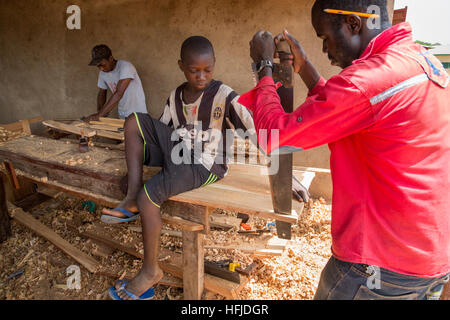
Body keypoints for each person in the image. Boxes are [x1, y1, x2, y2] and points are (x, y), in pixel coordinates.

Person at [240, 0, 450, 300]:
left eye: (325, 38)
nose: (325, 50)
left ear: (353, 24)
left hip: (379, 267)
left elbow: (274, 135)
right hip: (431, 260)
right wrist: (307, 70)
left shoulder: (368, 82)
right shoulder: (421, 61)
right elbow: (354, 112)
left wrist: (263, 68)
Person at [103, 35, 267, 300]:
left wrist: (282, 175)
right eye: (194, 71)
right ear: (181, 66)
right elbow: (158, 130)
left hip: (206, 164)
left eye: (207, 70)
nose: (201, 77)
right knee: (133, 121)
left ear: (214, 65)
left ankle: (150, 272)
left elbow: (253, 130)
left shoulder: (224, 96)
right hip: (179, 153)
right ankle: (131, 195)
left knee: (150, 196)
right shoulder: (176, 95)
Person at [83, 44, 148, 122]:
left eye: (102, 65)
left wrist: (99, 115)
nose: (101, 68)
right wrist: (100, 112)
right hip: (122, 115)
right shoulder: (103, 73)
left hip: (138, 114)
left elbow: (119, 93)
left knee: (135, 133)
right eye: (98, 66)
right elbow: (102, 93)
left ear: (110, 58)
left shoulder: (126, 67)